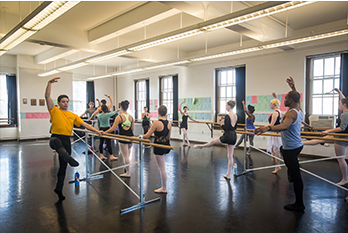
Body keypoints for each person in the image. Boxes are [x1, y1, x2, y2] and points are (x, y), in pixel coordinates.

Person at [45, 77, 101, 201]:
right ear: (58, 103)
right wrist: (49, 83)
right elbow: (47, 97)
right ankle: (69, 158)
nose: (65, 103)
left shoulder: (73, 115)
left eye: (67, 101)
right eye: (63, 101)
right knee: (57, 143)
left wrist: (97, 131)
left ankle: (59, 188)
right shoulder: (54, 111)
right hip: (55, 139)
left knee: (63, 167)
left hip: (66, 140)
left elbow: (85, 125)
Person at [255, 81, 305, 212]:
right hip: (296, 145)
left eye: (287, 98)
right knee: (284, 155)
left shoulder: (290, 113)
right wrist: (293, 87)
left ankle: (299, 204)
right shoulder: (299, 109)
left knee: (296, 176)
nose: (284, 100)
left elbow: (285, 126)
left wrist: (267, 127)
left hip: (291, 147)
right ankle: (291, 173)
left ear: (291, 100)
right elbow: (297, 98)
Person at [194, 100, 237, 180]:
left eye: (226, 105)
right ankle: (228, 174)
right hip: (234, 136)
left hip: (227, 136)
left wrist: (219, 122)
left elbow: (225, 128)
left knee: (212, 142)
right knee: (230, 156)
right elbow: (235, 127)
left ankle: (202, 146)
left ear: (229, 106)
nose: (225, 107)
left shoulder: (228, 116)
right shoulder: (236, 115)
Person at [143, 105, 171, 194]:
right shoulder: (169, 123)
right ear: (166, 113)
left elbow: (147, 136)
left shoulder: (156, 123)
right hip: (166, 146)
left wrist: (140, 137)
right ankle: (164, 187)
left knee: (162, 168)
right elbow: (169, 137)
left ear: (158, 112)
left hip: (159, 147)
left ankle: (164, 188)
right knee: (162, 166)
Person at [320, 98, 348, 185]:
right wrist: (339, 92)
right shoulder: (345, 113)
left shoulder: (345, 115)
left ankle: (345, 178)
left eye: (340, 103)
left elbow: (342, 128)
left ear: (344, 104)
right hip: (342, 137)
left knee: (340, 159)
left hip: (341, 138)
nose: (338, 105)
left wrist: (328, 130)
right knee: (320, 140)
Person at [103, 100, 134, 178]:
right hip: (131, 137)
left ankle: (128, 172)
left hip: (123, 137)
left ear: (121, 107)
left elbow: (113, 128)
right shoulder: (131, 117)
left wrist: (104, 132)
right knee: (127, 153)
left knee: (125, 156)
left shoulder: (119, 117)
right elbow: (132, 128)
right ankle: (126, 166)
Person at [267, 93, 283, 174]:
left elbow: (272, 124)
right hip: (275, 131)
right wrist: (275, 97)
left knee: (276, 150)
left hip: (275, 132)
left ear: (273, 104)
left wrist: (264, 128)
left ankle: (277, 166)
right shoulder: (278, 111)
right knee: (274, 148)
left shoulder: (275, 113)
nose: (270, 105)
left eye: (271, 103)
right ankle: (275, 163)